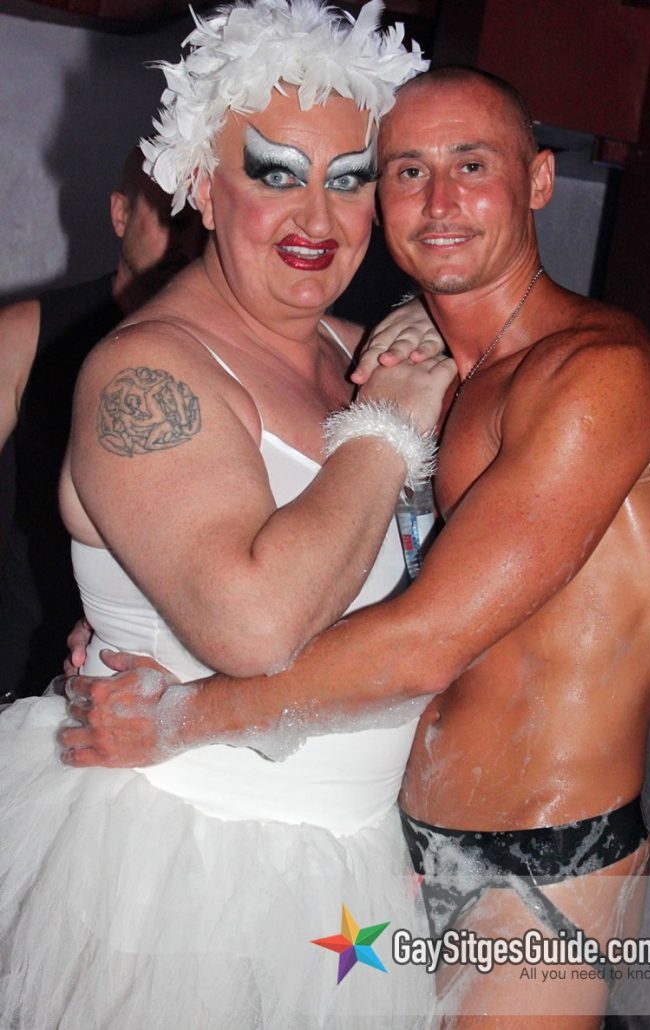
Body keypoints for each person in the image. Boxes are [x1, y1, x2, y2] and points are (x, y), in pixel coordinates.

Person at [61, 66, 650, 1026]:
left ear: (536, 180)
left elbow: (422, 643)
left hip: (536, 856)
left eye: (470, 165)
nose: (437, 202)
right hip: (380, 850)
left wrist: (181, 714)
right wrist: (133, 618)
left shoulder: (595, 373)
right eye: (402, 172)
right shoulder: (411, 365)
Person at [0, 3, 456, 1028]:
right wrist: (385, 429)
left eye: (349, 179)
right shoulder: (146, 369)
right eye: (276, 174)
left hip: (349, 877)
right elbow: (254, 630)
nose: (317, 218)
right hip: (180, 868)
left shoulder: (358, 348)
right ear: (203, 186)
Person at [0, 147, 205, 702]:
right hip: (23, 679)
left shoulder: (237, 350)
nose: (189, 240)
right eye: (171, 217)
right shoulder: (26, 333)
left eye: (203, 220)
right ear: (120, 214)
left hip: (166, 686)